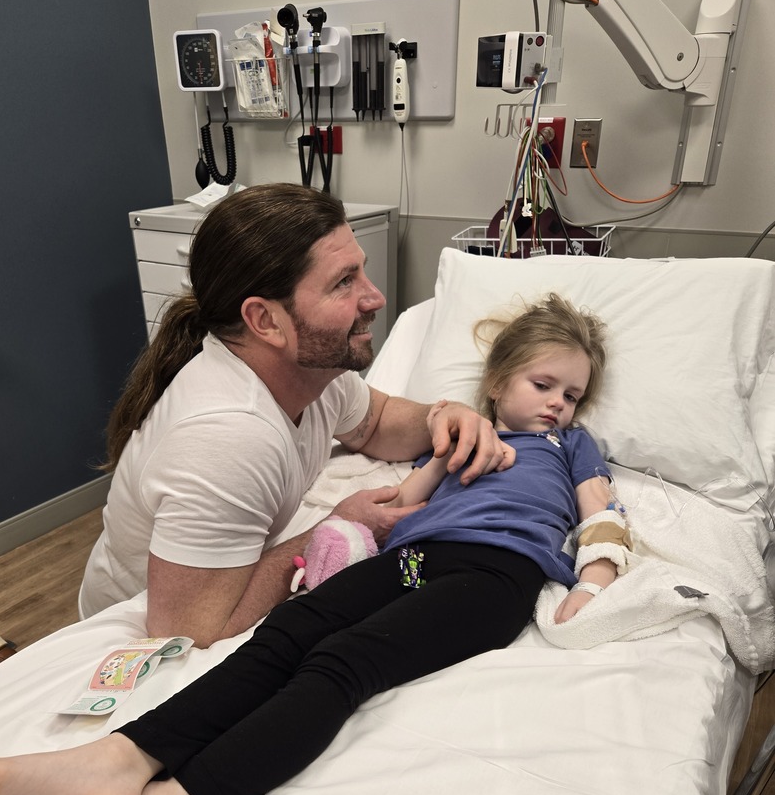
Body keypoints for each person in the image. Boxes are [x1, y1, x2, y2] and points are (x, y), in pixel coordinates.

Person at [0, 293, 630, 795]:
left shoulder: (570, 445)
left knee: (344, 663)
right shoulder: (456, 442)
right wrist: (358, 519)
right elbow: (400, 501)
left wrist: (593, 579)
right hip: (421, 562)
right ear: (495, 383)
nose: (556, 403)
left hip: (494, 577)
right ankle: (115, 763)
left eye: (570, 394)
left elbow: (599, 514)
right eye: (543, 384)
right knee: (291, 629)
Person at [79, 183, 510, 647]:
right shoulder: (229, 436)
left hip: (215, 582)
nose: (375, 298)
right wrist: (336, 529)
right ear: (265, 321)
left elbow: (375, 422)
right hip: (132, 634)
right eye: (344, 282)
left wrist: (443, 416)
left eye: (361, 272)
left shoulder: (314, 373)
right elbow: (188, 630)